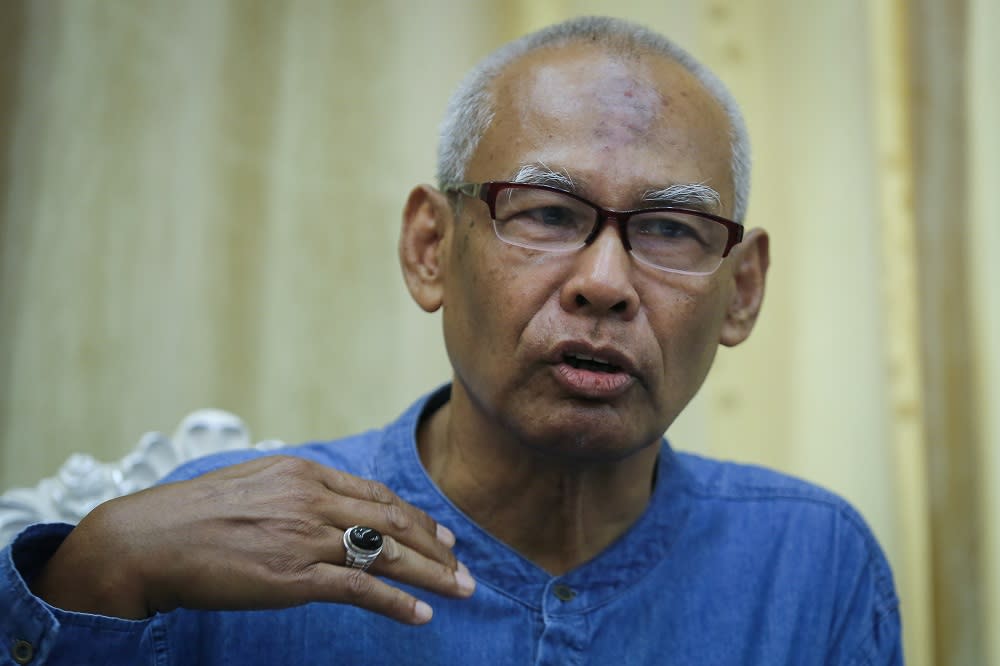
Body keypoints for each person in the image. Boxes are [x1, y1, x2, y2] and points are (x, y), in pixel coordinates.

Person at [0, 16, 902, 665]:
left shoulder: (812, 562)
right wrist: (96, 572)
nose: (605, 282)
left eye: (670, 230)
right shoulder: (209, 547)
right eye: (547, 213)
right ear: (431, 248)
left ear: (741, 292)